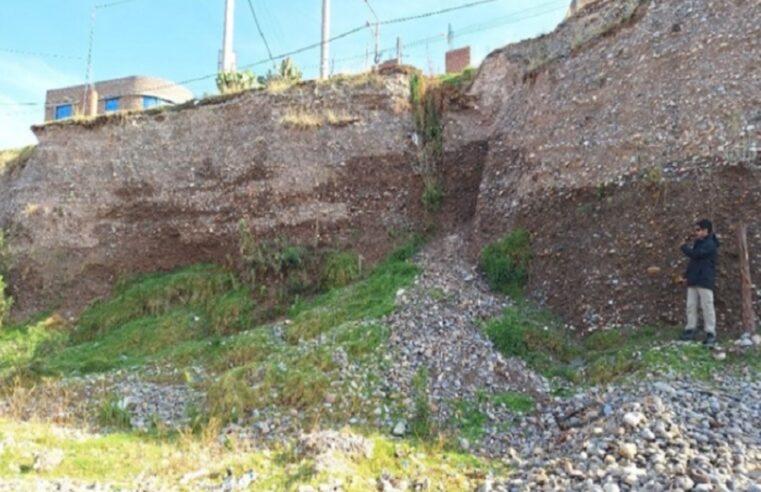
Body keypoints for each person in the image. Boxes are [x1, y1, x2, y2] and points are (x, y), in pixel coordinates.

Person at [679, 219, 720, 346]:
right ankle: (690, 328)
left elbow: (696, 255)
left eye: (698, 230)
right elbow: (694, 262)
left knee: (707, 306)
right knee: (691, 305)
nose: (696, 232)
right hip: (694, 278)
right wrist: (686, 276)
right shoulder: (700, 242)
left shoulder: (710, 244)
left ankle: (710, 332)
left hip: (705, 278)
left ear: (705, 230)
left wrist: (684, 247)